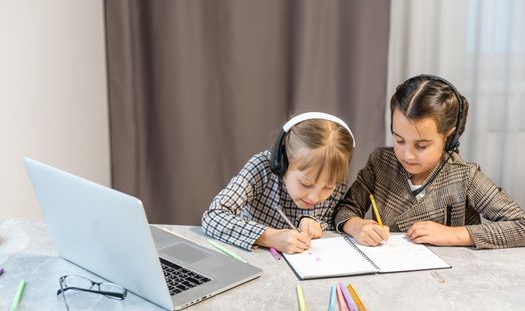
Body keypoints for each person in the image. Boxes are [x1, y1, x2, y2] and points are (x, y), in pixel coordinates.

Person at [334, 74, 525, 249]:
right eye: (399, 140)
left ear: (449, 136)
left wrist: (453, 234)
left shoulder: (465, 176)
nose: (408, 155)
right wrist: (356, 226)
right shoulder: (380, 162)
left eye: (422, 146)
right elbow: (346, 208)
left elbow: (521, 226)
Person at [202, 112, 355, 254]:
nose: (315, 197)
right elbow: (213, 216)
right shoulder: (261, 168)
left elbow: (330, 218)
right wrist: (270, 237)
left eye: (328, 187)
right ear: (282, 162)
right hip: (254, 259)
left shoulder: (336, 178)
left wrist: (315, 223)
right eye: (306, 184)